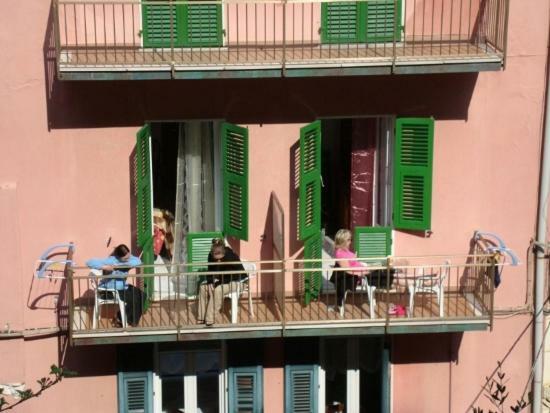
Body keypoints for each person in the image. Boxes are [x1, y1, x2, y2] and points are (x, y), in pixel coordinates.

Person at [86, 244, 144, 327]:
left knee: (141, 295)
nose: (128, 259)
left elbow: (138, 261)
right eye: (125, 258)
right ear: (119, 257)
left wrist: (126, 264)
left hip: (122, 287)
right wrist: (105, 267)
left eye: (129, 255)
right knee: (134, 298)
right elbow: (89, 262)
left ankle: (120, 318)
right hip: (111, 290)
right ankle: (125, 320)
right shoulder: (112, 260)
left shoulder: (129, 259)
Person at [197, 238, 245, 326]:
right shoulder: (210, 256)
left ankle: (209, 319)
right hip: (222, 281)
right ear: (212, 254)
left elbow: (240, 274)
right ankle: (201, 318)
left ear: (224, 253)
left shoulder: (231, 256)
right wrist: (210, 281)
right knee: (203, 288)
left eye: (221, 259)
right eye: (216, 259)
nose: (218, 261)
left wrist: (219, 283)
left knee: (218, 289)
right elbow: (210, 270)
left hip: (238, 281)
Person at [332, 229, 365, 311]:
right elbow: (348, 270)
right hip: (360, 276)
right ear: (342, 240)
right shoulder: (340, 253)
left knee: (389, 274)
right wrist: (362, 273)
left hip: (363, 273)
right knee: (387, 277)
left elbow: (352, 263)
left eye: (351, 239)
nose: (351, 241)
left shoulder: (346, 251)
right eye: (349, 240)